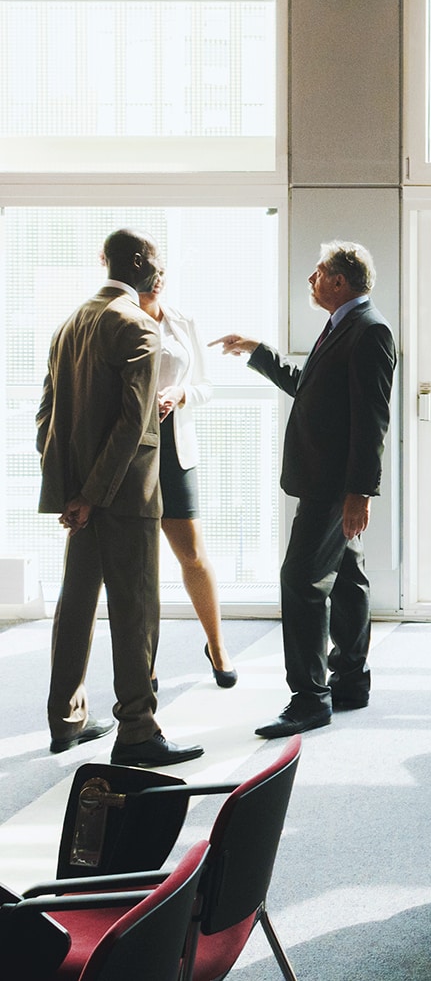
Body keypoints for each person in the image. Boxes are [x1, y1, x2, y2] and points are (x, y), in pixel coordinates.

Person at [213, 240, 397, 739]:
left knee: (300, 581)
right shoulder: (341, 325)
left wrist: (360, 492)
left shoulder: (370, 330)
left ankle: (309, 699)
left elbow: (372, 420)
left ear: (339, 280)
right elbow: (309, 388)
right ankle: (350, 682)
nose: (310, 280)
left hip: (335, 486)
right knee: (347, 579)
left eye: (318, 272)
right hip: (326, 480)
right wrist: (258, 352)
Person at [37, 229, 203, 767]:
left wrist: (71, 491)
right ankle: (137, 729)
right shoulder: (137, 325)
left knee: (77, 604)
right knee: (135, 611)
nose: (161, 268)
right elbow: (135, 424)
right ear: (137, 263)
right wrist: (93, 495)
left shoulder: (70, 323)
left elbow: (47, 416)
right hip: (127, 496)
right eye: (157, 259)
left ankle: (65, 719)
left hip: (83, 497)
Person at [138, 270, 237, 689]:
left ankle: (217, 646)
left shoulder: (182, 320)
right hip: (132, 453)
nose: (157, 279)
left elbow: (206, 386)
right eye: (149, 272)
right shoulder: (116, 318)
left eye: (161, 272)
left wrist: (181, 394)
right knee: (141, 563)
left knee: (193, 555)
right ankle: (144, 662)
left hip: (175, 452)